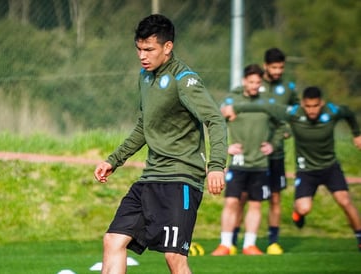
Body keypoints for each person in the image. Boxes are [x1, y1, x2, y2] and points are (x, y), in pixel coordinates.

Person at [93, 14, 227, 274]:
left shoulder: (184, 80)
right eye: (139, 49)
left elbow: (215, 120)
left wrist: (217, 165)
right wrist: (114, 160)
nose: (143, 55)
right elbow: (144, 127)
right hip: (150, 178)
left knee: (174, 258)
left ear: (168, 47)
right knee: (113, 240)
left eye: (149, 49)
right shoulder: (145, 77)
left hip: (181, 180)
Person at [223, 86, 361, 252]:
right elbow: (264, 107)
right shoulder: (294, 113)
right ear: (303, 104)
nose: (311, 110)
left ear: (321, 103)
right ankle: (299, 213)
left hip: (330, 166)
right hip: (306, 169)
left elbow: (348, 112)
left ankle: (359, 237)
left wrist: (357, 134)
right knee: (304, 208)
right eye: (308, 106)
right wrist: (235, 108)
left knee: (345, 201)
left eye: (315, 106)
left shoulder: (332, 111)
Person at [231, 48, 299, 255]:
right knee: (242, 198)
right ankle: (232, 241)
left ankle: (273, 242)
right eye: (274, 67)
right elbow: (233, 104)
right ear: (266, 66)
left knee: (275, 198)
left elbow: (294, 112)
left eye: (281, 67)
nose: (278, 71)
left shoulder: (288, 88)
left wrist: (283, 133)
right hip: (252, 154)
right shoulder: (255, 85)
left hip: (274, 155)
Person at [211, 64, 277, 256]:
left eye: (258, 82)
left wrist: (273, 143)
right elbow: (216, 125)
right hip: (238, 163)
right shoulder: (232, 101)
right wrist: (226, 147)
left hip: (259, 163)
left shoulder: (267, 102)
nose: (255, 85)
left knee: (256, 204)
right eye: (251, 82)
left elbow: (282, 125)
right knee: (231, 202)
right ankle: (225, 244)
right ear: (244, 81)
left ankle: (249, 245)